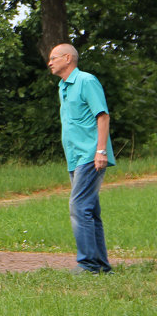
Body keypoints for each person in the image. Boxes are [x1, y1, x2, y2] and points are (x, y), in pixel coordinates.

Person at [48, 43, 115, 274]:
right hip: (75, 157)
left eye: (53, 58)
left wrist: (101, 150)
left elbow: (103, 115)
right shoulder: (62, 87)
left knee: (78, 207)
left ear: (68, 58)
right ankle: (102, 266)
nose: (50, 62)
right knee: (90, 210)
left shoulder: (86, 81)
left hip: (90, 154)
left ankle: (88, 264)